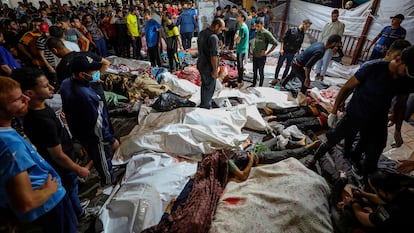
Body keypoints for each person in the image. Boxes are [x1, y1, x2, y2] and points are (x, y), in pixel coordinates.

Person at [306, 46, 414, 182]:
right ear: (398, 60)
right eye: (406, 71)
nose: (406, 75)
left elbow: (401, 104)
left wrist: (397, 129)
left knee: (374, 152)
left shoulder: (407, 80)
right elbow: (347, 87)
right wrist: (333, 112)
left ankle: (366, 180)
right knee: (333, 139)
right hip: (356, 113)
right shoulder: (373, 68)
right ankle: (314, 158)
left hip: (378, 119)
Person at [0, 77, 78, 232]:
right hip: (46, 206)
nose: (27, 98)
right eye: (18, 99)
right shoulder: (9, 145)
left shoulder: (7, 133)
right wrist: (49, 189)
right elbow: (25, 203)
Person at [12, 67, 90, 219]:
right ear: (29, 93)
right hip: (62, 166)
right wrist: (78, 169)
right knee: (70, 189)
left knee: (70, 189)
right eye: (45, 86)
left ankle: (76, 207)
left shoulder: (41, 107)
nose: (52, 88)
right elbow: (58, 155)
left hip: (64, 158)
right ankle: (79, 214)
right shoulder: (42, 121)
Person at [60, 55, 120, 186]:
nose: (96, 73)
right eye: (93, 72)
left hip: (77, 129)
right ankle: (109, 182)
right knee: (103, 158)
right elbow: (97, 123)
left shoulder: (66, 83)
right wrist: (110, 139)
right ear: (82, 74)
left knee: (93, 153)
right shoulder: (87, 96)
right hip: (94, 135)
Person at [347, 170, 414, 233]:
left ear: (381, 192)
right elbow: (383, 198)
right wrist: (364, 194)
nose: (373, 192)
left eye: (374, 190)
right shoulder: (404, 183)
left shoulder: (389, 212)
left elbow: (364, 219)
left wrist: (354, 203)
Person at [270, 19, 312, 86]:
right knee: (279, 65)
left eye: (308, 27)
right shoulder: (292, 29)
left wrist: (298, 53)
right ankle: (275, 78)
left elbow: (299, 44)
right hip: (285, 50)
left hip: (292, 52)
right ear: (303, 24)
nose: (307, 28)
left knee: (288, 66)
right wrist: (281, 49)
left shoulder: (302, 34)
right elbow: (283, 39)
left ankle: (282, 79)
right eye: (307, 26)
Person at [197, 18, 225, 109]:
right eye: (220, 29)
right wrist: (215, 70)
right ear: (216, 26)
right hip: (208, 66)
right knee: (209, 88)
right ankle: (205, 106)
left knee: (204, 85)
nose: (220, 32)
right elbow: (214, 56)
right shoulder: (213, 37)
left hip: (201, 63)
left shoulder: (202, 33)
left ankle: (204, 103)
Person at [314, 9, 345, 81]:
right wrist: (318, 44)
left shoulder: (340, 25)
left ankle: (322, 75)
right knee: (319, 59)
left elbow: (339, 36)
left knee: (326, 61)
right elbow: (322, 34)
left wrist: (336, 47)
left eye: (335, 16)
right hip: (322, 44)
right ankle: (317, 73)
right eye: (333, 16)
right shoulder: (327, 24)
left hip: (331, 46)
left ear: (338, 16)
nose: (334, 17)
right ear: (331, 15)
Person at [249, 17, 278, 87]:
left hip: (261, 57)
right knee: (254, 71)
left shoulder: (266, 33)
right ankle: (253, 84)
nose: (256, 28)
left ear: (262, 25)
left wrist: (267, 52)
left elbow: (275, 43)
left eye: (258, 26)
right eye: (255, 26)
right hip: (255, 55)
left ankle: (260, 86)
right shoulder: (256, 32)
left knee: (261, 72)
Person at [234, 10, 249, 88]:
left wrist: (235, 38)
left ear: (242, 18)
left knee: (240, 65)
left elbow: (238, 40)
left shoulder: (242, 28)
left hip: (241, 49)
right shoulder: (244, 26)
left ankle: (240, 80)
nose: (237, 17)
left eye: (238, 16)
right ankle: (240, 79)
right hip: (242, 48)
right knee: (240, 64)